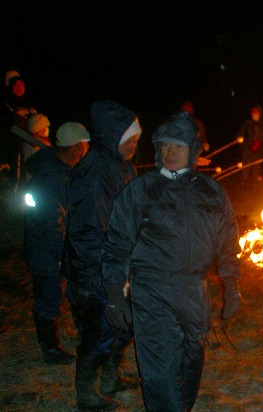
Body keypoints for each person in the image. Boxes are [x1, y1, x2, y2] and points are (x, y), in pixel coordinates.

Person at [101, 110, 242, 411]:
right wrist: (114, 290)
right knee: (160, 370)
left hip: (194, 291)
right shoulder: (141, 191)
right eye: (165, 145)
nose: (170, 152)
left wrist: (231, 284)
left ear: (193, 150)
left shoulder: (211, 191)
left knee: (191, 363)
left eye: (178, 146)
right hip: (152, 291)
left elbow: (228, 240)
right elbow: (117, 242)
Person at [62, 100, 142, 411]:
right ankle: (86, 393)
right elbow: (86, 235)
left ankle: (111, 378)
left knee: (127, 325)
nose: (136, 142)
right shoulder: (93, 175)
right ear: (113, 137)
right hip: (95, 272)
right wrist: (110, 282)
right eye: (130, 138)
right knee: (100, 331)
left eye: (136, 136)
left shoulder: (122, 166)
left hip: (120, 267)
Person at [25, 122, 90, 365]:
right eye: (84, 145)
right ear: (75, 148)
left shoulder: (56, 169)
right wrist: (63, 253)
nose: (86, 149)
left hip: (52, 246)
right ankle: (50, 348)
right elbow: (51, 222)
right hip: (49, 249)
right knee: (49, 297)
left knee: (65, 292)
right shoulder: (53, 178)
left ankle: (76, 336)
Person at [1, 70, 38, 199]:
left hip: (32, 149)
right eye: (16, 85)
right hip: (14, 150)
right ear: (9, 87)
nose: (19, 87)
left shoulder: (30, 105)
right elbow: (11, 129)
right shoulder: (6, 106)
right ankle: (14, 203)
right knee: (16, 178)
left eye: (21, 84)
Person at [237, 105, 263, 185]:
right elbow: (240, 135)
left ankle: (254, 189)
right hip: (247, 152)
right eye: (253, 113)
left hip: (259, 152)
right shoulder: (247, 124)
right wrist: (243, 148)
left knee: (255, 172)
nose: (254, 114)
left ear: (260, 114)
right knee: (245, 171)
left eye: (256, 112)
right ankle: (242, 188)